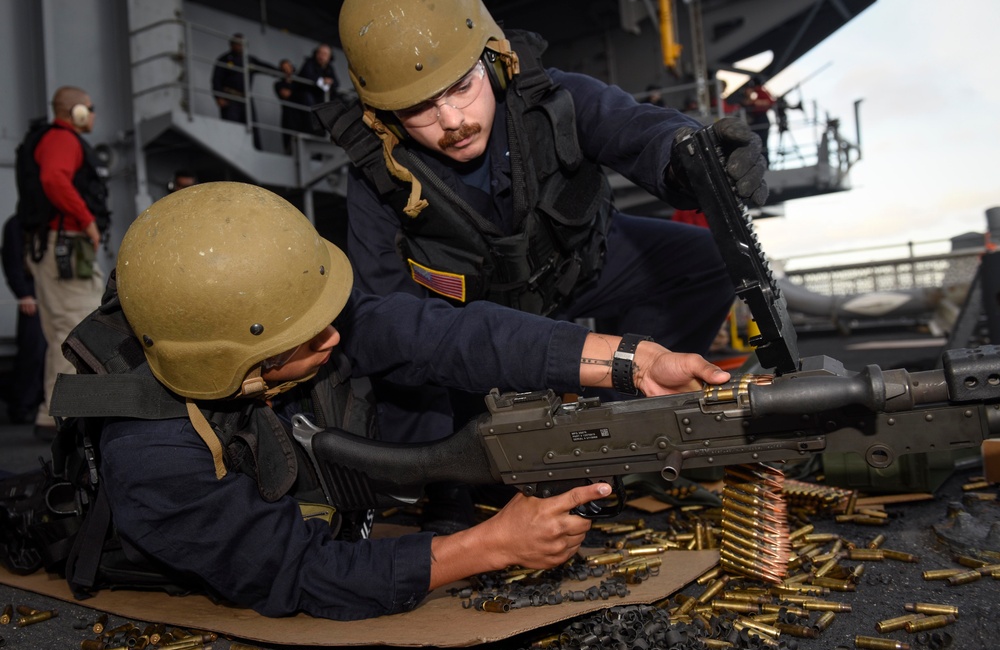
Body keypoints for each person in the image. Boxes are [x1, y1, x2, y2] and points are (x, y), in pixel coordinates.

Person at [49, 181, 730, 621]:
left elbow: (450, 334)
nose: (335, 333)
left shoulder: (276, 323)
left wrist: (631, 360)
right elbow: (300, 573)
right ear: (234, 360)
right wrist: (493, 545)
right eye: (306, 334)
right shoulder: (155, 458)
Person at [319, 0, 767, 528]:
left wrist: (696, 159)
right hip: (466, 325)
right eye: (419, 108)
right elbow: (386, 324)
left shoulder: (552, 102)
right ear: (382, 116)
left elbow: (635, 129)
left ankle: (608, 429)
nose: (452, 119)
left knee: (701, 263)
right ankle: (445, 499)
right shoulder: (375, 179)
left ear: (494, 59)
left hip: (579, 269)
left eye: (461, 87)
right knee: (420, 445)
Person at [19, 86, 109, 442]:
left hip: (60, 247)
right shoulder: (63, 140)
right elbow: (53, 178)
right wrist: (86, 219)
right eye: (91, 108)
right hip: (67, 246)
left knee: (63, 330)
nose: (94, 115)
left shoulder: (52, 139)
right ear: (78, 114)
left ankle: (52, 414)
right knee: (77, 332)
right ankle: (66, 418)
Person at [0, 215, 46, 424]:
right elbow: (12, 261)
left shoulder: (50, 220)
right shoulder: (17, 225)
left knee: (52, 351)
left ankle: (39, 403)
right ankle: (21, 406)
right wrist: (23, 293)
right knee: (32, 351)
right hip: (31, 295)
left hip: (52, 293)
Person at [210, 33, 276, 146]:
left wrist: (281, 71)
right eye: (237, 43)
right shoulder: (224, 59)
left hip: (246, 100)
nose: (240, 46)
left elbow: (266, 67)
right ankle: (232, 150)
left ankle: (256, 152)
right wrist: (218, 96)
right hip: (230, 98)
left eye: (242, 44)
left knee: (252, 128)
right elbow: (216, 79)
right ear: (231, 45)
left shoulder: (249, 60)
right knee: (232, 128)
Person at [297, 43, 338, 132]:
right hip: (308, 98)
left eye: (325, 54)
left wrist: (331, 81)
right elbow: (306, 75)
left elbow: (336, 83)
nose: (321, 56)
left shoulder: (329, 68)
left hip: (321, 100)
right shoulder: (309, 62)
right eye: (320, 53)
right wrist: (322, 80)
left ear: (329, 57)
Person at [738, 77, 777, 165]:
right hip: (757, 120)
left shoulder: (760, 92)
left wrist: (751, 97)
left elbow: (767, 102)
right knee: (757, 143)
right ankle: (761, 162)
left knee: (761, 143)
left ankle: (764, 163)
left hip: (760, 119)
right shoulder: (760, 92)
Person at [273, 58, 304, 153]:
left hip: (301, 115)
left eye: (288, 67)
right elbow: (286, 94)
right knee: (289, 141)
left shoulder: (299, 83)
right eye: (284, 68)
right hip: (289, 115)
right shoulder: (279, 84)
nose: (287, 70)